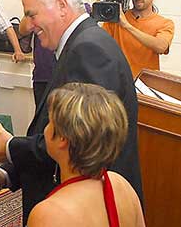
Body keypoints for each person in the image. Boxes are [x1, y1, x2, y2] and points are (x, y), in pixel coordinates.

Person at [0, 0, 143, 224]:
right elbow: (56, 134)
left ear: (61, 5)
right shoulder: (82, 42)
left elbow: (75, 141)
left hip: (87, 207)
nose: (28, 26)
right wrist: (8, 173)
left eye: (32, 15)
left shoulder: (88, 49)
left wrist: (9, 147)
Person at [27, 83, 145, 227]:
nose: (45, 129)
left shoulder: (48, 213)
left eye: (50, 122)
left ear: (63, 138)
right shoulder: (121, 185)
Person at [103, 0, 174, 78]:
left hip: (145, 87)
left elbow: (161, 47)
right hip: (118, 83)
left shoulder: (164, 23)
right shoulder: (117, 19)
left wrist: (128, 26)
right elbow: (99, 45)